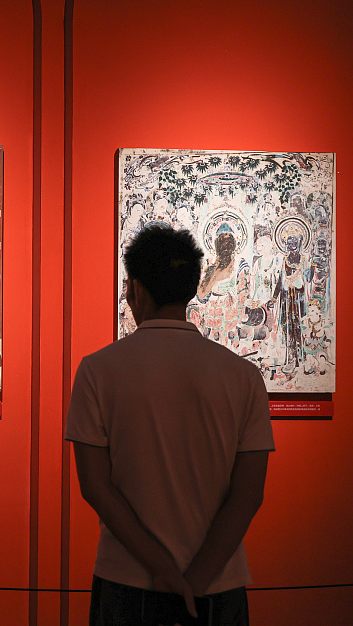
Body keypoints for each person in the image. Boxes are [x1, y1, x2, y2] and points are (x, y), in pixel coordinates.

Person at [65, 226, 273, 626]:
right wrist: (194, 580)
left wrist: (161, 568)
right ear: (192, 288)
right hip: (218, 583)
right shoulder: (244, 376)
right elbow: (248, 495)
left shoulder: (97, 371)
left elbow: (95, 486)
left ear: (135, 289)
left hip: (127, 578)